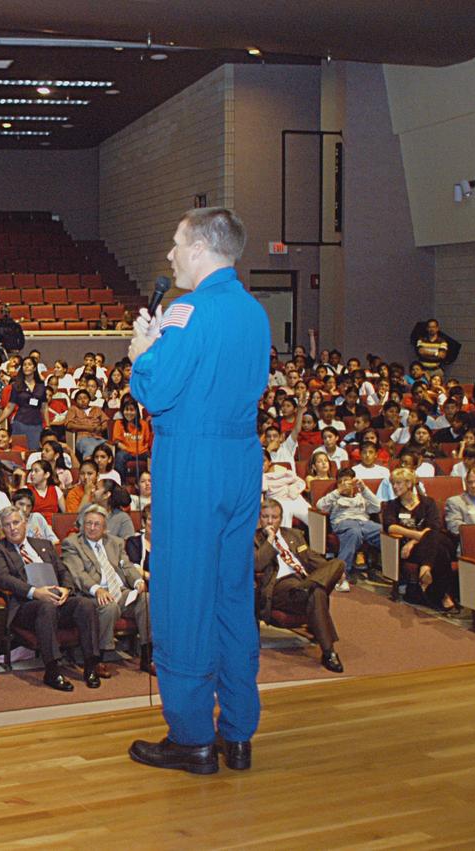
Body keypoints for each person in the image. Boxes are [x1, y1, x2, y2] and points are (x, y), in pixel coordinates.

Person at [127, 207, 268, 775]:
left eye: (177, 242)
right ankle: (238, 731)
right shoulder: (254, 311)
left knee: (184, 595)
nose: (170, 254)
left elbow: (157, 390)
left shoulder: (189, 308)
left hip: (193, 458)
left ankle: (191, 738)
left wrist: (142, 353)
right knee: (231, 594)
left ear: (202, 248)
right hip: (241, 457)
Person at [0, 506, 103, 691]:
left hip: (57, 599)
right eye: (7, 525)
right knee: (45, 607)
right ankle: (52, 669)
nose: (13, 528)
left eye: (16, 522)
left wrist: (66, 589)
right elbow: (2, 578)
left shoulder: (44, 544)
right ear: (2, 528)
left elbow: (63, 571)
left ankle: (90, 665)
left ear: (25, 523)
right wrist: (35, 592)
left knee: (85, 604)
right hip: (26, 606)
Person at [60, 503, 153, 674]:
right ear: (82, 524)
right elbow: (78, 574)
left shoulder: (115, 542)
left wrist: (137, 581)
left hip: (120, 591)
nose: (92, 528)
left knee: (146, 600)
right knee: (108, 606)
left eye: (97, 524)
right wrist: (97, 589)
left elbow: (126, 566)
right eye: (88, 523)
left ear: (104, 528)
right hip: (92, 594)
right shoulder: (72, 544)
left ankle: (147, 657)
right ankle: (97, 658)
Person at [254, 499, 345, 673]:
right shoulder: (254, 539)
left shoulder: (293, 534)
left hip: (302, 581)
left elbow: (311, 558)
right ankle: (329, 653)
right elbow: (258, 564)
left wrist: (334, 570)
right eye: (266, 517)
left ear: (281, 518)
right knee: (317, 592)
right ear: (260, 518)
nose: (270, 521)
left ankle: (306, 587)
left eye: (274, 517)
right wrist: (270, 539)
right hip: (279, 585)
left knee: (337, 564)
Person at [381, 468, 460, 612]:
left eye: (398, 483)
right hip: (412, 549)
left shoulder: (428, 503)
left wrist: (413, 542)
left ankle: (426, 570)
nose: (395, 487)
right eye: (393, 484)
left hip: (418, 545)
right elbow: (390, 527)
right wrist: (417, 536)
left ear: (409, 484)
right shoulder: (392, 505)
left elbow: (434, 526)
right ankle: (441, 594)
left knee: (434, 536)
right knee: (440, 552)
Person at [315, 469, 383, 582]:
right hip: (343, 523)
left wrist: (364, 488)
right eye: (340, 482)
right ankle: (341, 574)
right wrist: (338, 491)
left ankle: (384, 569)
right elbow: (320, 505)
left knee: (383, 533)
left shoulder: (361, 496)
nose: (344, 484)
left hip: (364, 524)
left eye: (347, 481)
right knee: (354, 532)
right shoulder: (335, 497)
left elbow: (377, 507)